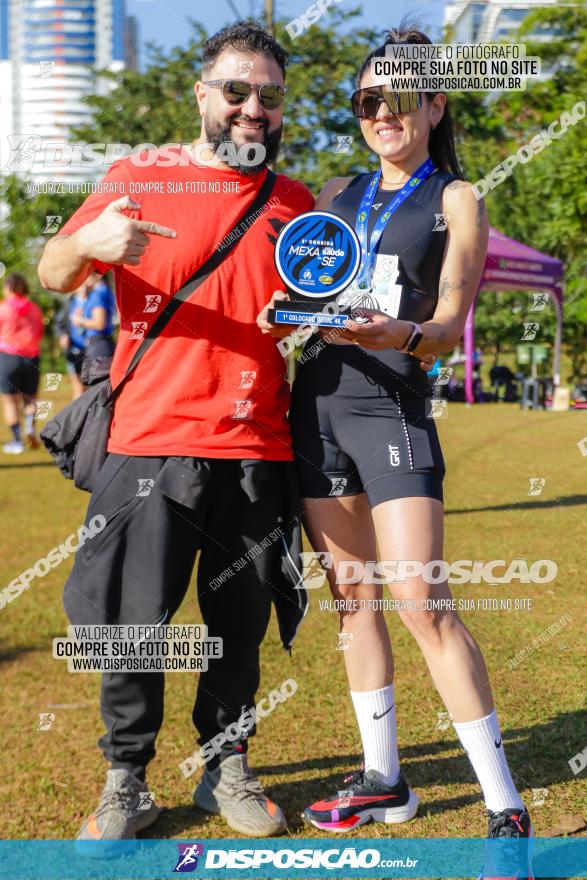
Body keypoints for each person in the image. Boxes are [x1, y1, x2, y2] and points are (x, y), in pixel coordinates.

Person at [259, 23, 533, 857]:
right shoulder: (334, 193)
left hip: (391, 410)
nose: (382, 111)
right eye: (366, 99)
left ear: (433, 103)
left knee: (423, 603)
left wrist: (397, 335)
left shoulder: (454, 197)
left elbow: (448, 324)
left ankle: (503, 805)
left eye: (399, 97)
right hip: (317, 407)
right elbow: (305, 291)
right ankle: (386, 780)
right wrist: (284, 316)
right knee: (354, 605)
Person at [38, 22, 313, 843]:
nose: (250, 108)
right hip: (147, 441)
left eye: (267, 94)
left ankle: (225, 766)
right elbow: (53, 269)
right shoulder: (136, 177)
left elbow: (313, 317)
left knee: (238, 626)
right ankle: (125, 778)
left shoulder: (296, 205)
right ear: (202, 95)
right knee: (128, 624)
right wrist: (88, 240)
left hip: (257, 447)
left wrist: (305, 321)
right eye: (235, 90)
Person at [0, 273, 44, 454]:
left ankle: (17, 441)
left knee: (10, 401)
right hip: (32, 357)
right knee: (30, 398)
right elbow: (39, 332)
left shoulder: (3, 308)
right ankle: (30, 428)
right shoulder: (35, 309)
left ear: (8, 287)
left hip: (9, 356)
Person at [55, 285, 87, 400]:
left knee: (92, 387)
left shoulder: (95, 299)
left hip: (92, 350)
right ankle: (78, 416)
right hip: (74, 350)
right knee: (78, 385)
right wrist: (62, 336)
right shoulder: (69, 303)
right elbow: (59, 324)